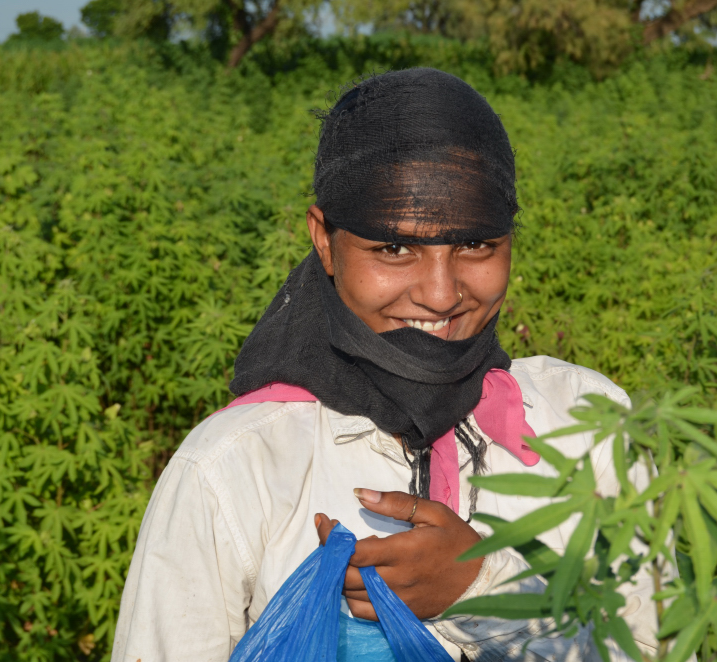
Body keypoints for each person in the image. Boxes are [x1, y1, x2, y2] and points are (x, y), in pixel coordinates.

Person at [111, 67, 661, 662]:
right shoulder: (234, 470)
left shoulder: (588, 427)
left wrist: (477, 594)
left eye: (476, 245)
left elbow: (655, 644)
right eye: (394, 248)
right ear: (325, 240)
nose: (442, 292)